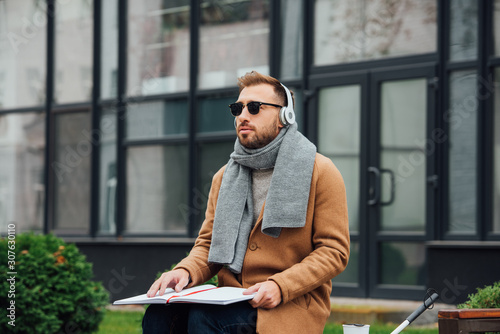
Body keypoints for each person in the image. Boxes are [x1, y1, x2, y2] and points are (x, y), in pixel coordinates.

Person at [142, 71, 350, 334]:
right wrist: (185, 270)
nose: (243, 116)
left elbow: (334, 252)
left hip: (289, 303)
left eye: (254, 108)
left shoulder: (321, 171)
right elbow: (208, 244)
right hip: (231, 297)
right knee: (160, 315)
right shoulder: (224, 176)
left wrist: (281, 286)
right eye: (238, 108)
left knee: (205, 319)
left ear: (284, 117)